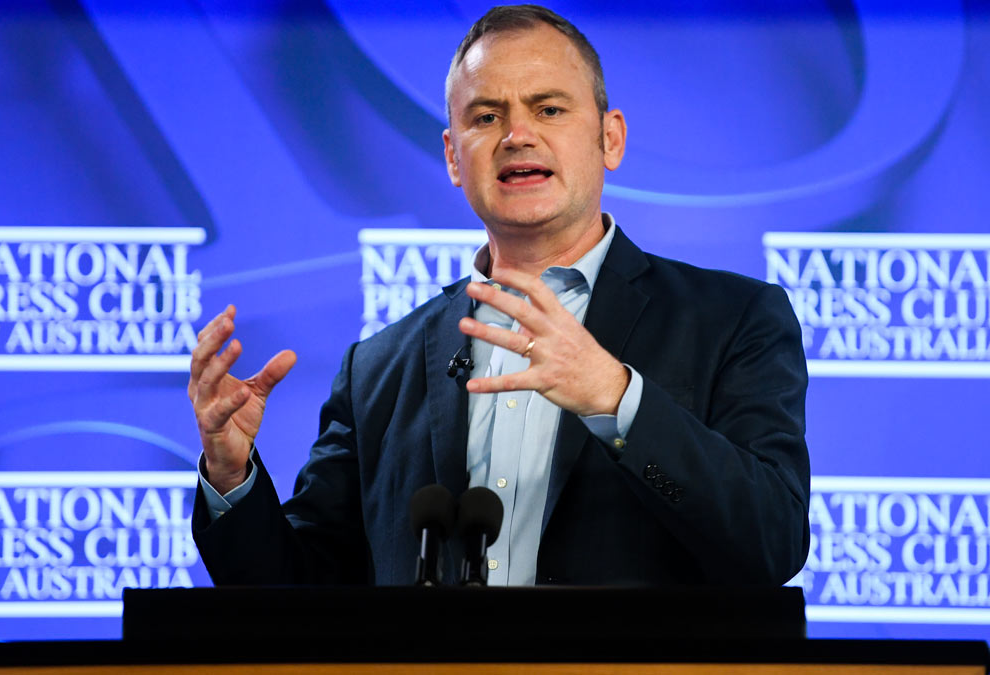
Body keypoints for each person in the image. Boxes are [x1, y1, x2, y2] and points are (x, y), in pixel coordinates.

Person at [189, 4, 810, 586]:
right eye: (486, 116)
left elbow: (771, 542)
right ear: (454, 158)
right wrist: (230, 473)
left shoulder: (733, 320)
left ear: (610, 139)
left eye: (549, 109)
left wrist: (615, 398)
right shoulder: (378, 367)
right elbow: (297, 596)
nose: (516, 134)